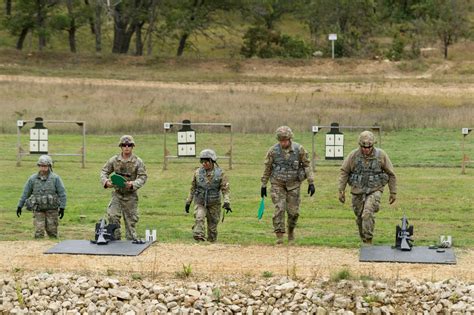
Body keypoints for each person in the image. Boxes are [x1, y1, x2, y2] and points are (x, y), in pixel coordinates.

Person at [338, 130, 397, 245]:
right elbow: (344, 172)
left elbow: (391, 174)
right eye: (363, 147)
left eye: (369, 147)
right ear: (360, 145)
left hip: (375, 189)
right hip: (358, 190)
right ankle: (363, 238)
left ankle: (368, 241)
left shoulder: (381, 156)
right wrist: (341, 190)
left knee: (367, 213)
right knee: (360, 216)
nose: (366, 149)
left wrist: (393, 192)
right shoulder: (353, 156)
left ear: (373, 145)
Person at [260, 126, 315, 245]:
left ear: (290, 139)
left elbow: (307, 165)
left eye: (285, 140)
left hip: (294, 184)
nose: (283, 143)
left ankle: (291, 232)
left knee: (293, 212)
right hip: (277, 183)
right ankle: (279, 236)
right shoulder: (273, 151)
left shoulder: (299, 149)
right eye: (281, 141)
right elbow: (267, 168)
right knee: (279, 208)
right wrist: (263, 184)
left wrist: (311, 182)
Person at [100, 135, 147, 241]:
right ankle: (115, 241)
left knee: (130, 223)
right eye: (124, 145)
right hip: (117, 194)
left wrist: (133, 184)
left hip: (130, 196)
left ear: (132, 147)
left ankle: (130, 244)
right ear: (121, 146)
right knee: (112, 216)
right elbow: (104, 171)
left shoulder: (138, 162)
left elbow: (143, 177)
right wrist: (106, 182)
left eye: (129, 145)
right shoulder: (114, 160)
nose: (127, 147)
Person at [185, 149, 231, 242]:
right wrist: (188, 201)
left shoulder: (220, 173)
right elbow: (192, 188)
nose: (204, 164)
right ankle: (199, 236)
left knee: (212, 228)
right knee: (199, 217)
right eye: (202, 161)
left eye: (206, 161)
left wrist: (226, 201)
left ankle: (211, 244)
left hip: (214, 204)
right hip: (200, 202)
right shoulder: (197, 173)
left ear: (212, 161)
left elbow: (225, 189)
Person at [17, 155, 67, 239]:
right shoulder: (32, 179)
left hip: (52, 210)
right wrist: (19, 205)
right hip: (38, 209)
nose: (43, 168)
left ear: (49, 166)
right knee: (39, 232)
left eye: (45, 166)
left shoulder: (56, 178)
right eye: (41, 165)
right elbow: (25, 193)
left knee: (52, 232)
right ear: (38, 166)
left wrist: (62, 207)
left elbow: (62, 194)